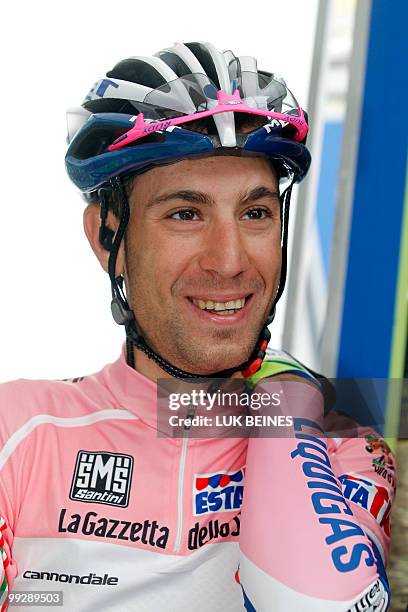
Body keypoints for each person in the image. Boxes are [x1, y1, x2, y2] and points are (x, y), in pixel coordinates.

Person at [0, 42, 395, 611]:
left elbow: (321, 605)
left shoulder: (347, 446)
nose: (230, 260)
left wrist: (283, 405)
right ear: (107, 235)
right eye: (186, 214)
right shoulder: (19, 432)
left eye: (256, 213)